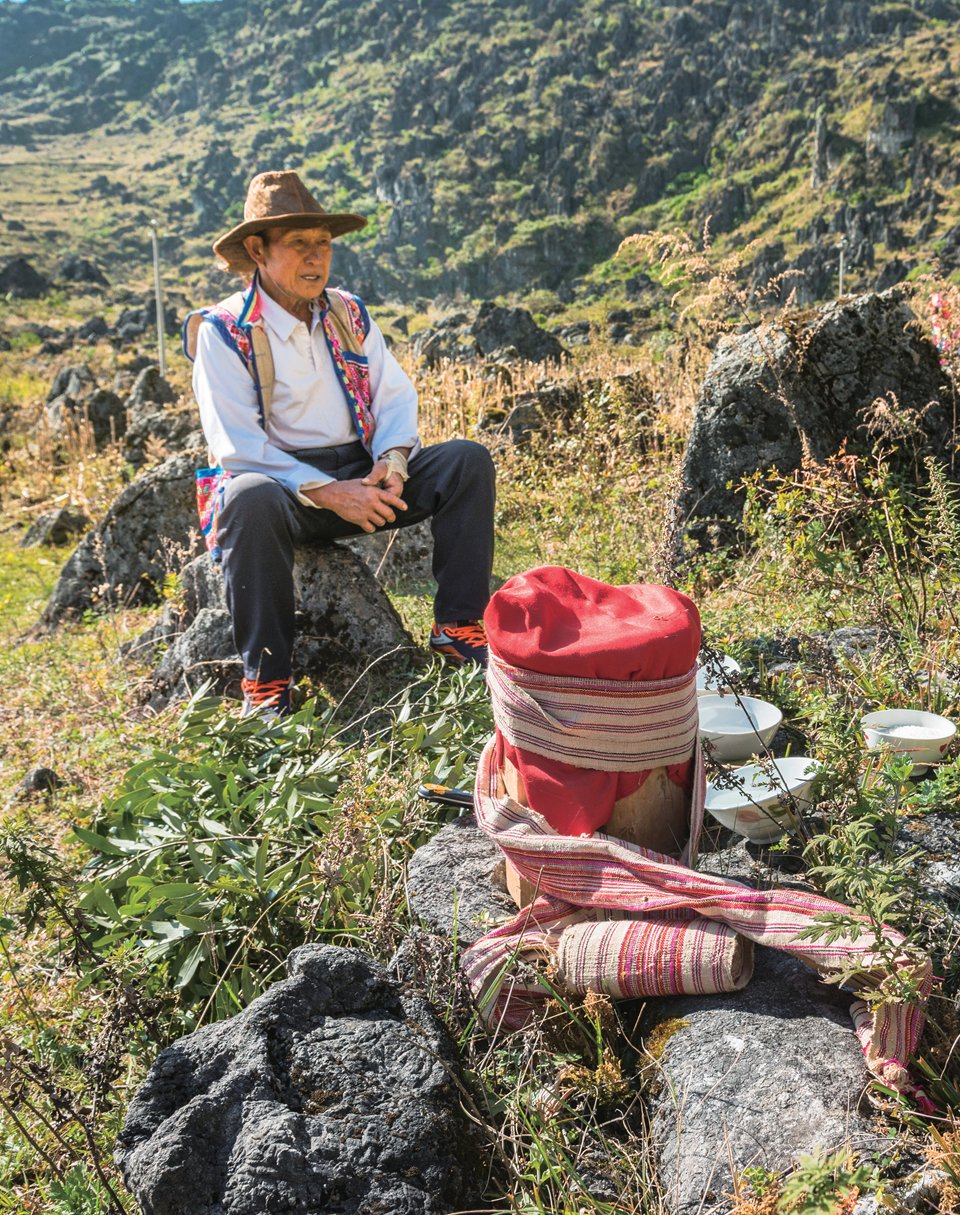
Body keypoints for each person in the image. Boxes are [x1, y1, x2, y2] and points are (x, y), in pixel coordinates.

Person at [190, 170, 495, 715]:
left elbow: (393, 395)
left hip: (366, 475)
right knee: (246, 498)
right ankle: (266, 682)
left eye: (323, 244)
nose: (316, 259)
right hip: (286, 493)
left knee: (465, 462)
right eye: (299, 244)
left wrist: (393, 461)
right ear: (258, 250)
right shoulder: (223, 330)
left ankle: (456, 626)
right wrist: (330, 492)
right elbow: (236, 445)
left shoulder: (347, 313)